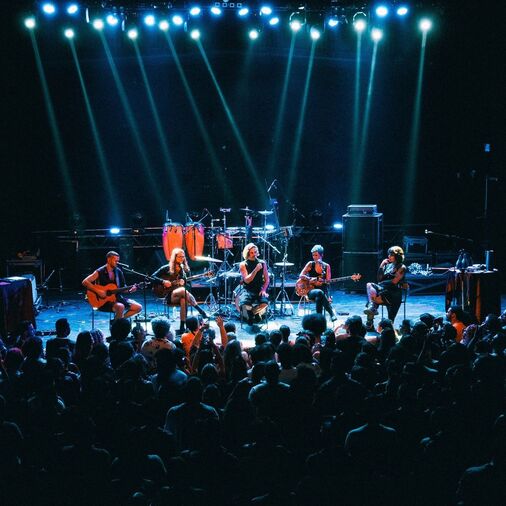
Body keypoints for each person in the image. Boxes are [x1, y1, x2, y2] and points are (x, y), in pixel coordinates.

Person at [152, 248, 208, 333]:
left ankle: (182, 327)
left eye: (183, 257)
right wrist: (163, 281)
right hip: (167, 295)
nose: (182, 258)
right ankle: (201, 311)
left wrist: (184, 282)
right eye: (180, 257)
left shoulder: (184, 270)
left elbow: (187, 287)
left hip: (178, 295)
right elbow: (152, 277)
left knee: (183, 299)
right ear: (174, 257)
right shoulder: (166, 268)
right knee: (182, 290)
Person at [82, 251, 142, 320]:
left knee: (138, 307)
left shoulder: (118, 272)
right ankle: (118, 324)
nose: (117, 262)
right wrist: (98, 291)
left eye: (118, 261)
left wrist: (130, 290)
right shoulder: (100, 271)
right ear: (108, 259)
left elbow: (123, 288)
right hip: (103, 301)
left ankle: (119, 321)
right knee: (120, 307)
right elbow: (85, 282)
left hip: (117, 298)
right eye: (115, 260)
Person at [364, 245, 407, 322]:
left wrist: (380, 285)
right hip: (384, 290)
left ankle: (370, 319)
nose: (389, 256)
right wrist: (382, 265)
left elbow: (394, 282)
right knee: (369, 287)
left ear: (397, 256)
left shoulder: (402, 267)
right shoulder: (388, 265)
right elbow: (379, 279)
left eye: (392, 255)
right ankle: (372, 310)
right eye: (389, 254)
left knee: (372, 297)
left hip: (393, 293)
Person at [298, 244, 337, 322]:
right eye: (313, 255)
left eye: (316, 255)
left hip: (322, 291)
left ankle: (319, 320)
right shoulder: (310, 264)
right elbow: (301, 275)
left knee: (319, 296)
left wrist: (324, 281)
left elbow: (328, 281)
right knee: (319, 293)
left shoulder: (326, 266)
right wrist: (309, 279)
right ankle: (331, 313)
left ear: (322, 255)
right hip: (311, 290)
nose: (314, 257)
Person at [238, 243, 270, 325]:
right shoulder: (243, 264)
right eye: (252, 253)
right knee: (244, 305)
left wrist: (264, 290)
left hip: (258, 289)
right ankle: (251, 316)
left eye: (255, 252)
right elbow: (247, 280)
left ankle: (252, 314)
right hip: (247, 289)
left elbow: (267, 280)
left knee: (265, 304)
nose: (254, 254)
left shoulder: (262, 263)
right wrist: (256, 270)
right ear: (248, 253)